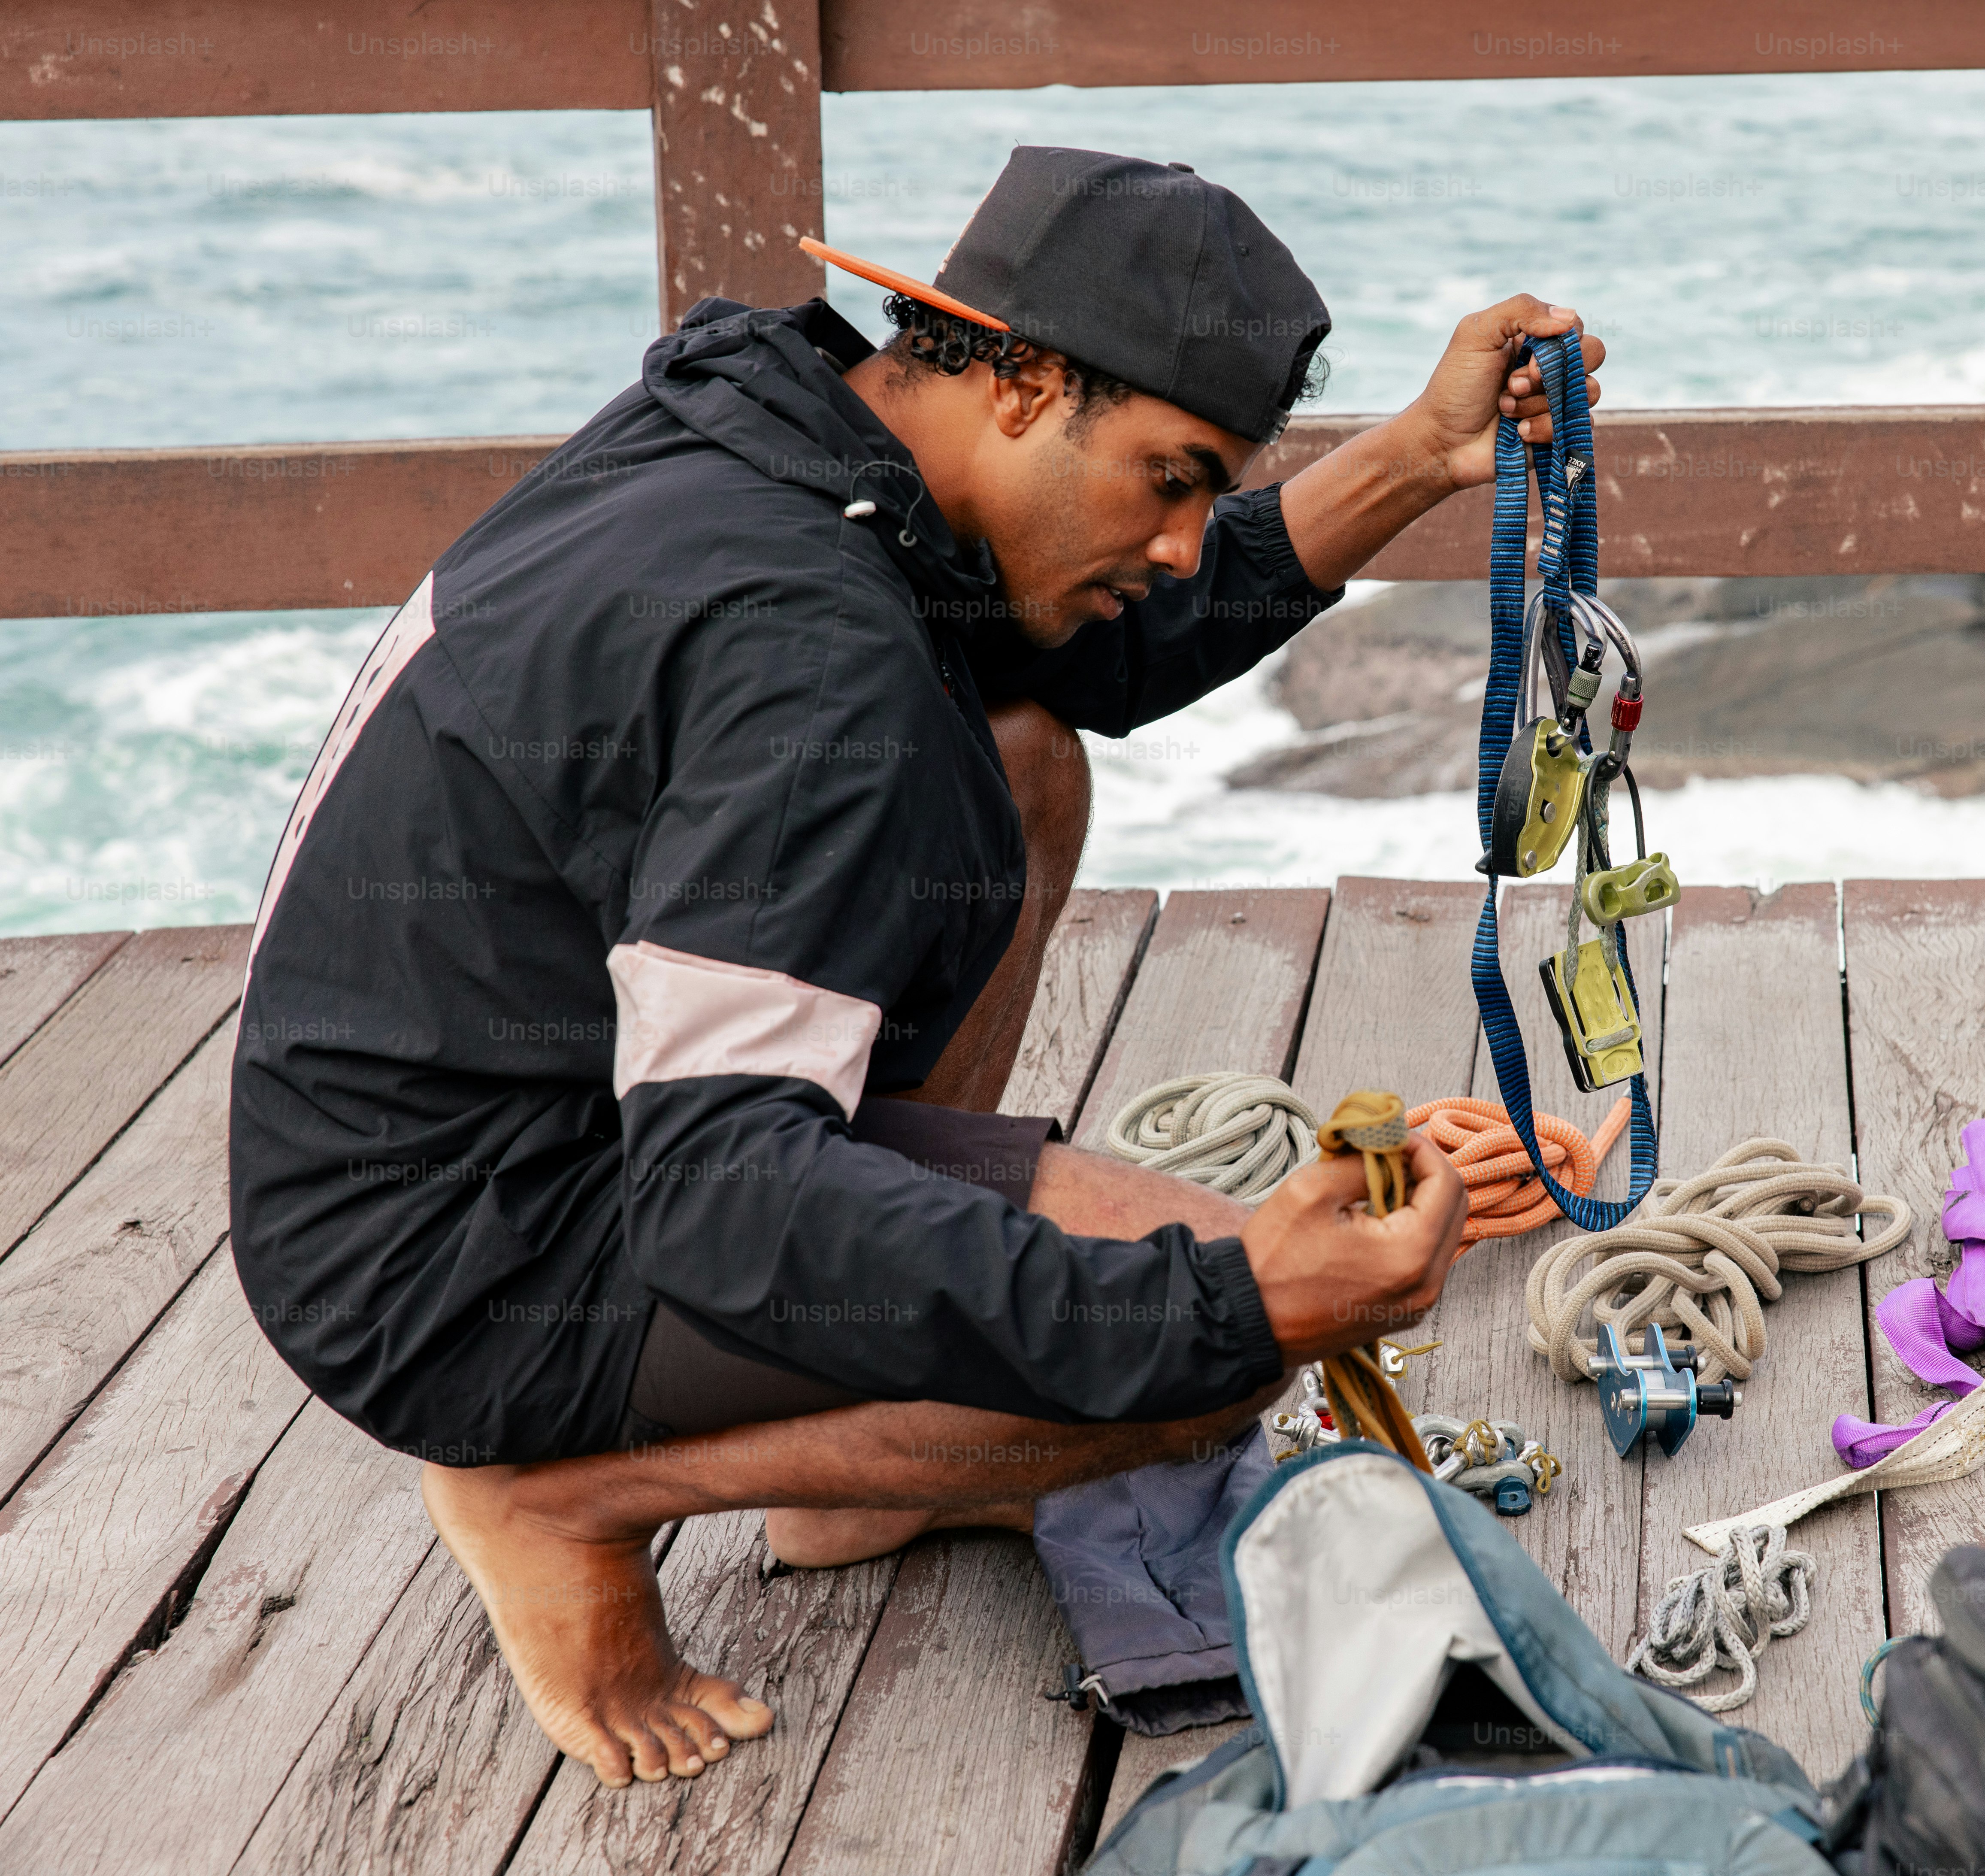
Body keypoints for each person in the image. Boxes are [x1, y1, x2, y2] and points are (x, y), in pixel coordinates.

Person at [227, 146, 1605, 1788]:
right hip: (453, 1262)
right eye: (1172, 478)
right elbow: (724, 1200)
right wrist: (1236, 1302)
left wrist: (1416, 458)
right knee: (1193, 1359)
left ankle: (837, 1466)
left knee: (1018, 757)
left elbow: (1091, 650)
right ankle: (553, 1491)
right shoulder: (811, 659)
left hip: (504, 1112)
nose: (1184, 541)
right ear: (1021, 379)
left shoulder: (785, 442)